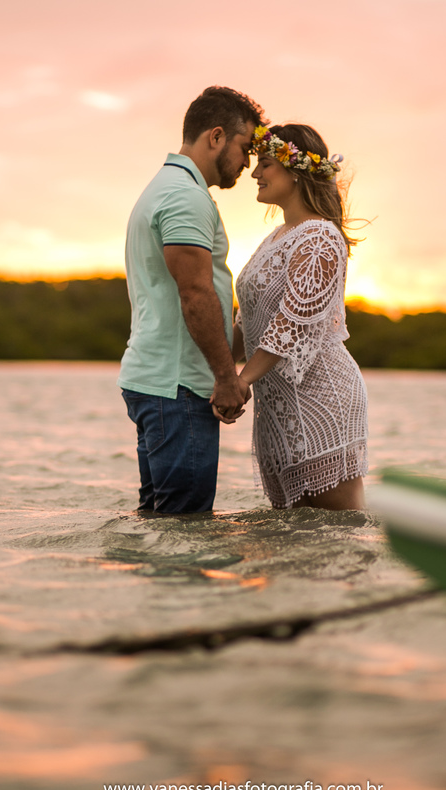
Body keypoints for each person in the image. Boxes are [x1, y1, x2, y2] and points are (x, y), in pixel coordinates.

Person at [118, 86, 265, 514]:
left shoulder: (169, 187)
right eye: (244, 148)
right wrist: (224, 377)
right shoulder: (185, 196)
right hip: (177, 388)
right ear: (215, 136)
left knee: (161, 524)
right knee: (185, 526)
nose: (247, 164)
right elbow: (195, 293)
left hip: (160, 381)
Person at [230, 123, 369, 510]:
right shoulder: (275, 236)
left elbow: (292, 324)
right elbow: (249, 321)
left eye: (266, 163)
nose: (255, 174)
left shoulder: (321, 236)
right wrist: (217, 367)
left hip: (320, 398)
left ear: (295, 169)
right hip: (275, 402)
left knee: (336, 539)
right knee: (289, 551)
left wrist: (241, 379)